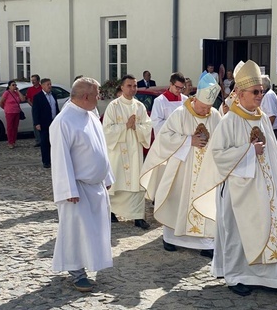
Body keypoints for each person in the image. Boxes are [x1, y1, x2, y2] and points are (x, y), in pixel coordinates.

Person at [193, 60, 277, 297]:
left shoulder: (260, 118)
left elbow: (273, 152)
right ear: (239, 93)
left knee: (270, 228)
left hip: (266, 188)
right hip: (239, 189)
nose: (261, 96)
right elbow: (217, 155)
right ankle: (236, 276)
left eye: (262, 91)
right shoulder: (229, 121)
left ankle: (272, 277)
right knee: (238, 234)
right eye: (256, 92)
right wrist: (248, 151)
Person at [140, 73, 221, 257]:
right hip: (181, 168)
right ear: (196, 99)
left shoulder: (214, 115)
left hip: (205, 170)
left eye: (209, 107)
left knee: (205, 202)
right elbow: (164, 137)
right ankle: (170, 239)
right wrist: (188, 141)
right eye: (203, 107)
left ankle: (207, 242)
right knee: (176, 201)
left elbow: (221, 138)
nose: (205, 111)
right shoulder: (180, 114)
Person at [49, 77, 114, 292]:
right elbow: (60, 158)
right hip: (77, 188)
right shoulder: (63, 121)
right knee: (76, 232)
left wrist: (106, 176)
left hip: (94, 185)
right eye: (96, 94)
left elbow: (100, 147)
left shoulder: (91, 115)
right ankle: (76, 273)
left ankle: (90, 263)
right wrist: (69, 189)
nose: (99, 98)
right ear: (85, 96)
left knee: (94, 231)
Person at [103, 74, 152, 229]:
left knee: (136, 184)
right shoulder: (113, 106)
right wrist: (125, 126)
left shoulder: (139, 106)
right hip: (118, 152)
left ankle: (138, 217)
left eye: (135, 86)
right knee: (117, 182)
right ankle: (112, 212)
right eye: (129, 86)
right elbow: (106, 130)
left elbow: (148, 127)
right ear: (122, 87)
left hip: (134, 151)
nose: (132, 89)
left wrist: (136, 126)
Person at [32, 78, 60, 168]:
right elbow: (35, 111)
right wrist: (37, 123)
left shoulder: (53, 95)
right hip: (43, 123)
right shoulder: (38, 97)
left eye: (50, 84)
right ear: (42, 86)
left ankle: (54, 160)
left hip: (54, 122)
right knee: (45, 142)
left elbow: (56, 108)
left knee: (54, 142)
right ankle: (46, 161)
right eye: (48, 84)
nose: (49, 86)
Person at [0, 80, 25, 149]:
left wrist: (18, 91)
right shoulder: (6, 93)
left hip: (17, 112)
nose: (14, 86)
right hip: (9, 112)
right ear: (9, 86)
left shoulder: (16, 93)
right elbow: (1, 102)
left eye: (15, 85)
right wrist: (6, 109)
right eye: (13, 85)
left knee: (15, 127)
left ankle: (13, 141)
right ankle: (10, 142)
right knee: (10, 127)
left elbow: (22, 99)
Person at [26, 74, 42, 147]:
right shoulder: (30, 89)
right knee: (36, 124)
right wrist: (33, 105)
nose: (33, 82)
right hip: (35, 108)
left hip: (42, 107)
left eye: (34, 80)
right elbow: (28, 99)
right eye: (32, 80)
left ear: (38, 81)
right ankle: (38, 140)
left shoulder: (42, 88)